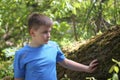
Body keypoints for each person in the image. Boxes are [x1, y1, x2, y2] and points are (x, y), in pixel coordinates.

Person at [14, 12, 98, 80]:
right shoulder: (21, 54)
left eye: (49, 31)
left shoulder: (53, 46)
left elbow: (66, 63)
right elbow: (18, 78)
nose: (49, 35)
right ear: (32, 33)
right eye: (44, 32)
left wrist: (87, 68)